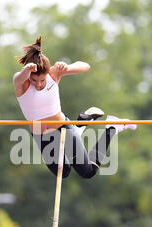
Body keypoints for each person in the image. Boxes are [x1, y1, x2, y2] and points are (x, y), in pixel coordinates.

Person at [13, 36, 136, 179]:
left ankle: (112, 127)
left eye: (42, 80)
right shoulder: (22, 84)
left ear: (47, 74)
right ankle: (80, 125)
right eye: (34, 80)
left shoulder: (53, 74)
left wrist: (67, 67)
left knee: (87, 172)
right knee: (63, 173)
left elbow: (85, 66)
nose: (39, 84)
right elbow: (19, 78)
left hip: (62, 128)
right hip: (42, 136)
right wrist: (26, 71)